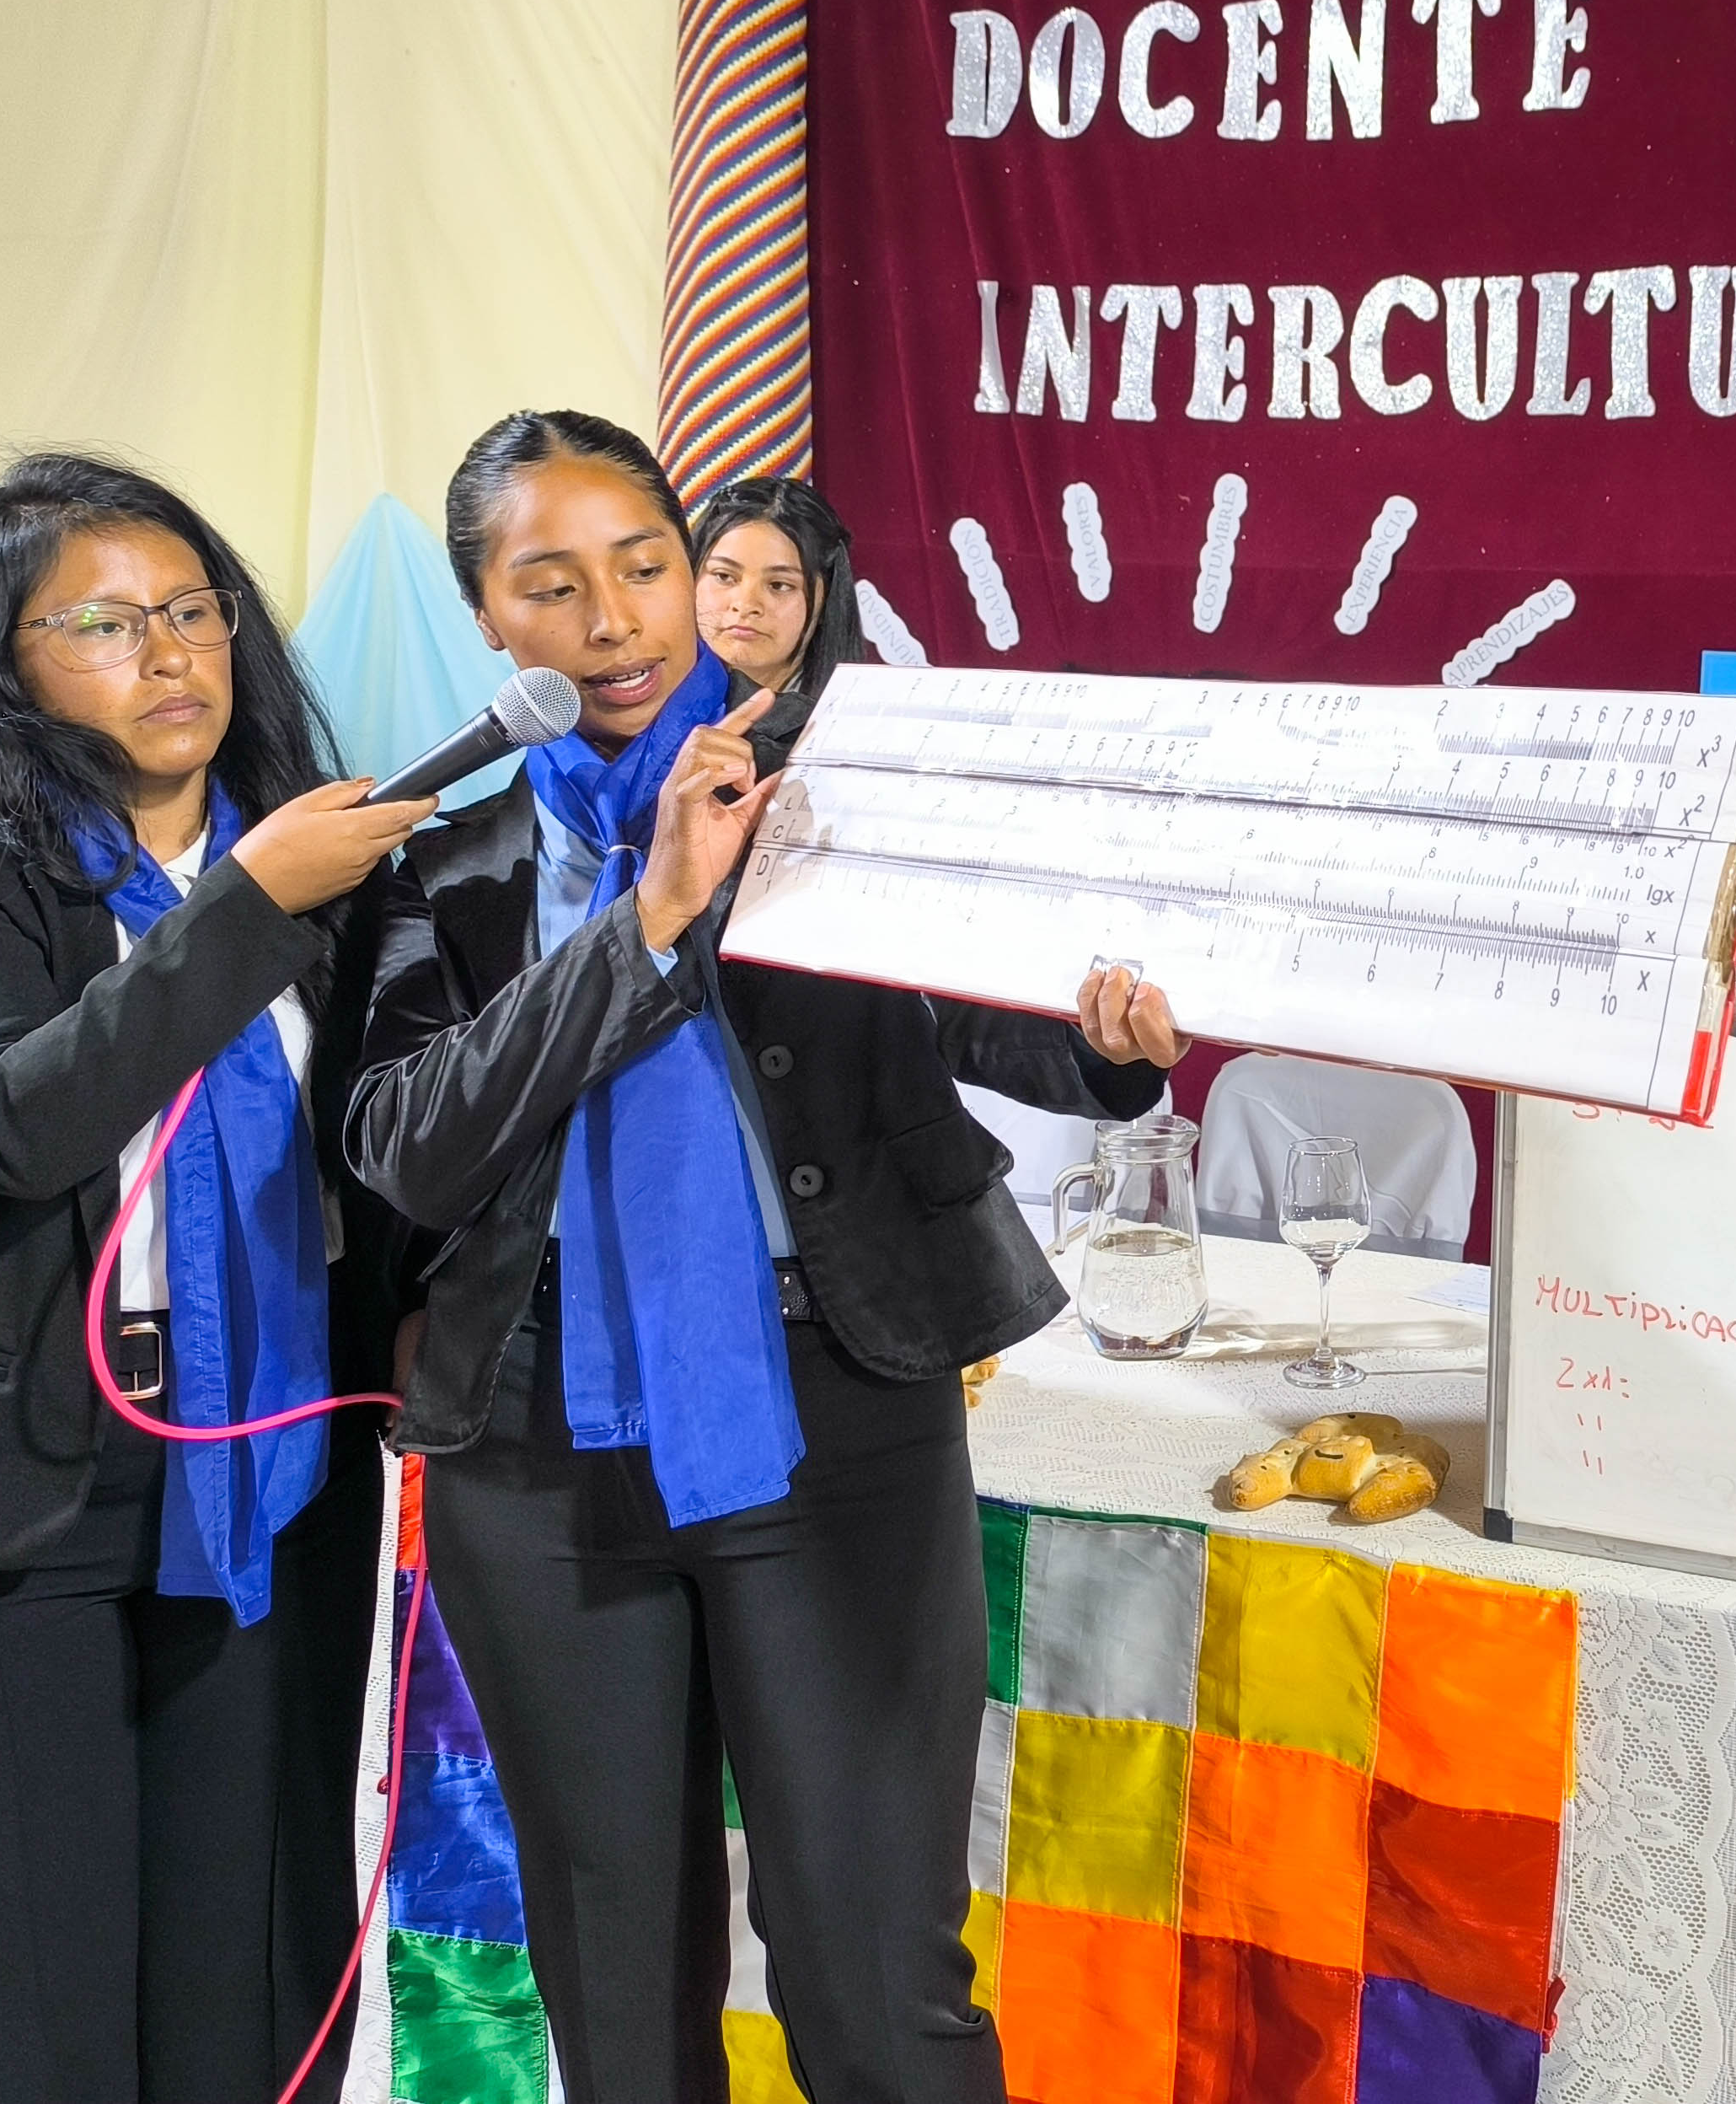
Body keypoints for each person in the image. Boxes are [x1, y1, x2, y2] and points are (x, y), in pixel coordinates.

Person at [346, 409, 1183, 2104]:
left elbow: (982, 1014)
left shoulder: (827, 809)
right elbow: (414, 1144)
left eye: (645, 567)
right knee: (618, 1986)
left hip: (838, 1421)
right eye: (551, 585)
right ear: (489, 621)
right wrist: (646, 917)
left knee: (877, 1979)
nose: (614, 621)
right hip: (540, 1452)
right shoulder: (440, 866)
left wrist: (1105, 1045)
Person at [0, 452, 431, 2103]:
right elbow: (10, 1119)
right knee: (32, 2020)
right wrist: (246, 908)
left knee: (247, 1996)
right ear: (2, 659)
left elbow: (393, 1146)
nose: (169, 651)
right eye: (106, 623)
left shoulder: (328, 862)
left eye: (193, 609)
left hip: (266, 1476)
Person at [691, 470, 872, 703]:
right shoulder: (648, 711)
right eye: (724, 576)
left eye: (778, 585)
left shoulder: (861, 719)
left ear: (826, 597)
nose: (746, 604)